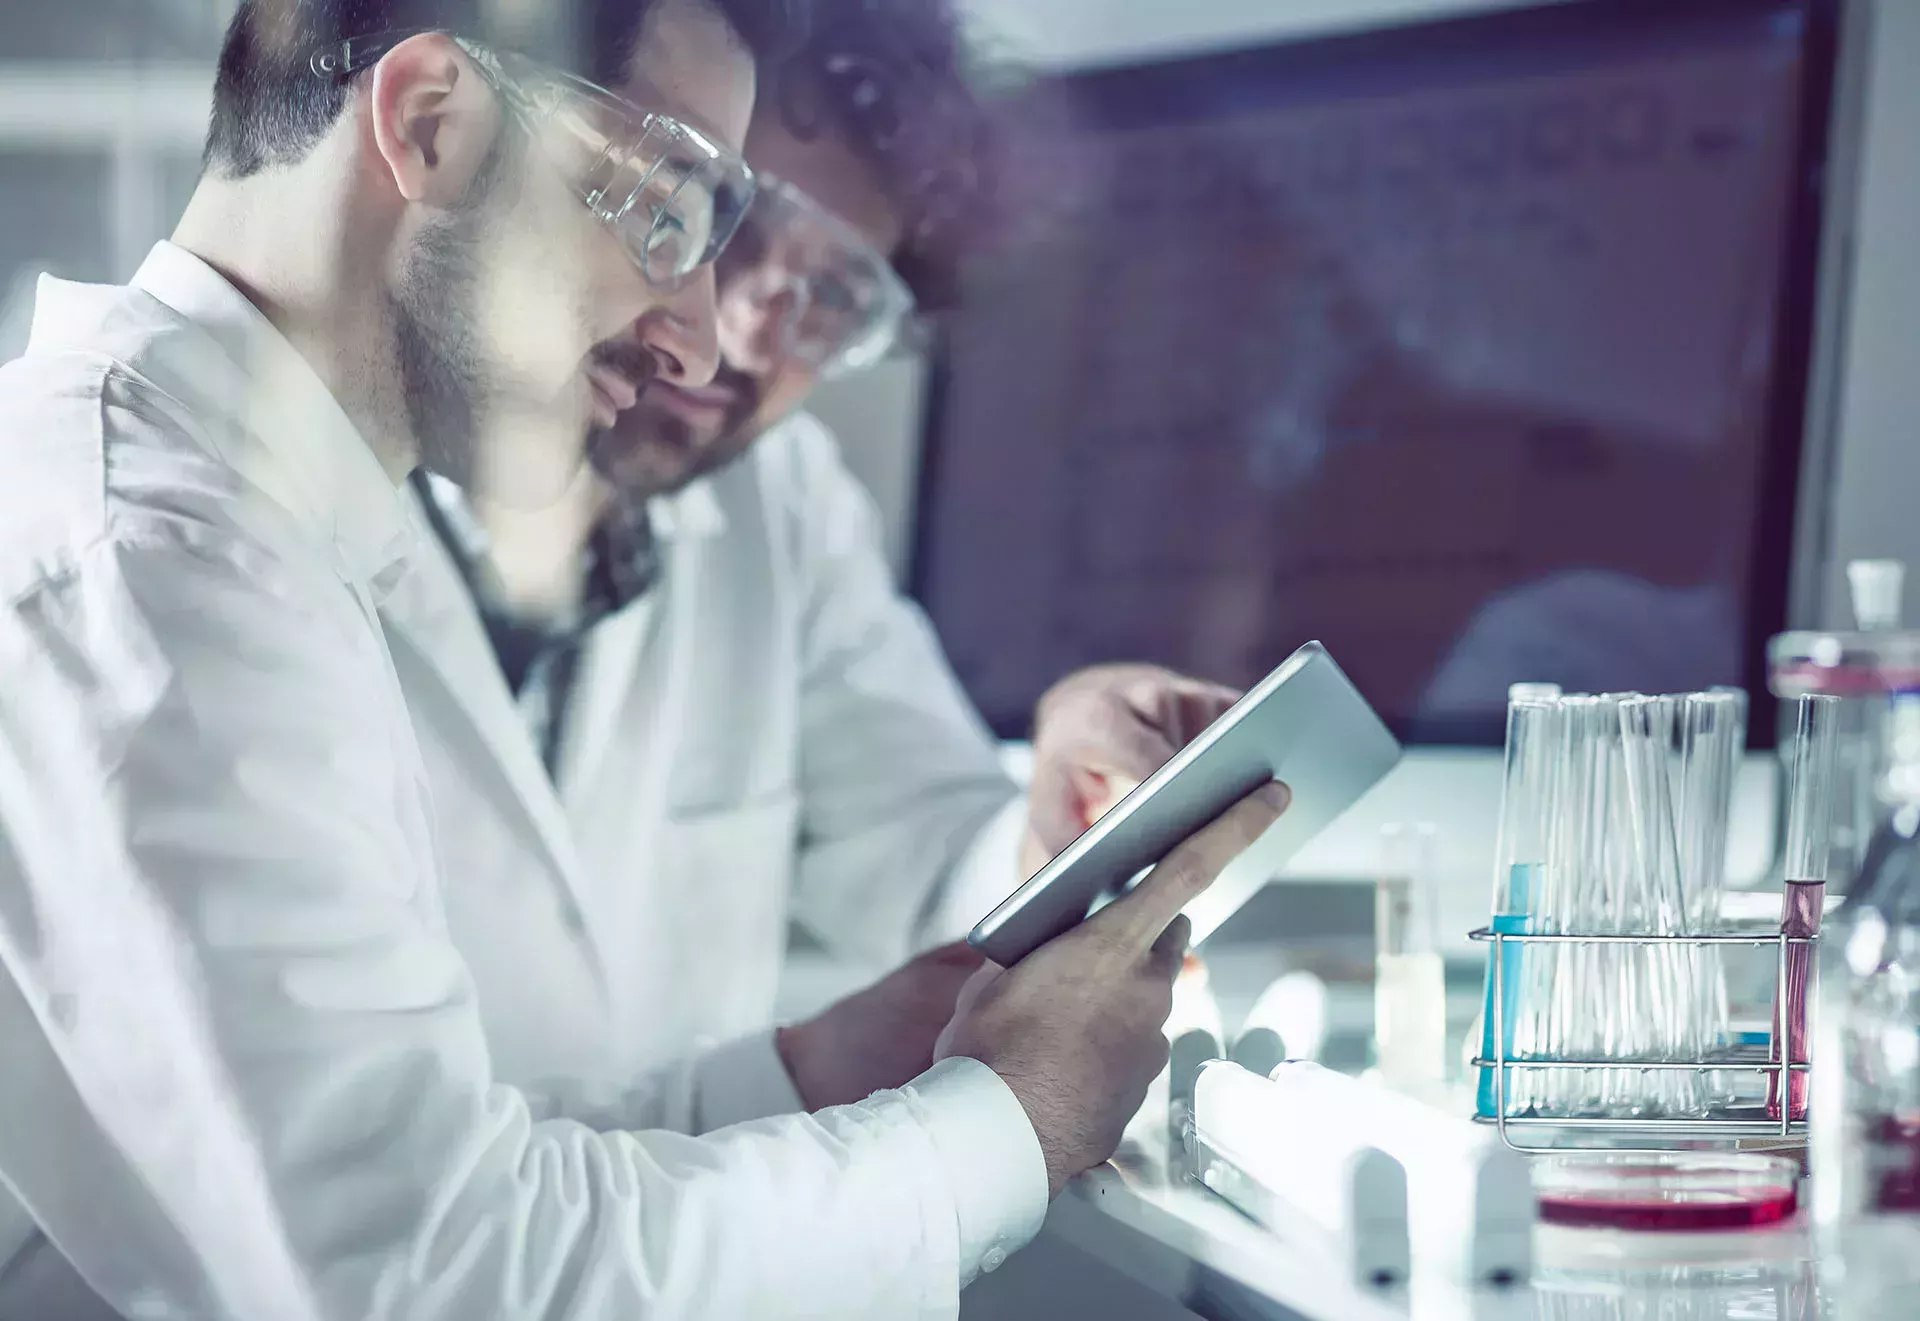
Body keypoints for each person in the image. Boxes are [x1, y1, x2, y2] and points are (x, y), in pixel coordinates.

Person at [0, 1, 1292, 1317]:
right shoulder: (148, 553)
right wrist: (1009, 1127)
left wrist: (806, 1067)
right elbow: (437, 1278)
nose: (703, 336)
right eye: (672, 213)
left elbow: (434, 1164)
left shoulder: (249, 514)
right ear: (432, 125)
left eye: (824, 292)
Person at [394, 0, 1247, 1112]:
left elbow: (930, 861)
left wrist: (1066, 805)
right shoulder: (291, 510)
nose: (737, 332)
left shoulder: (780, 502)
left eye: (831, 295)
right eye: (717, 224)